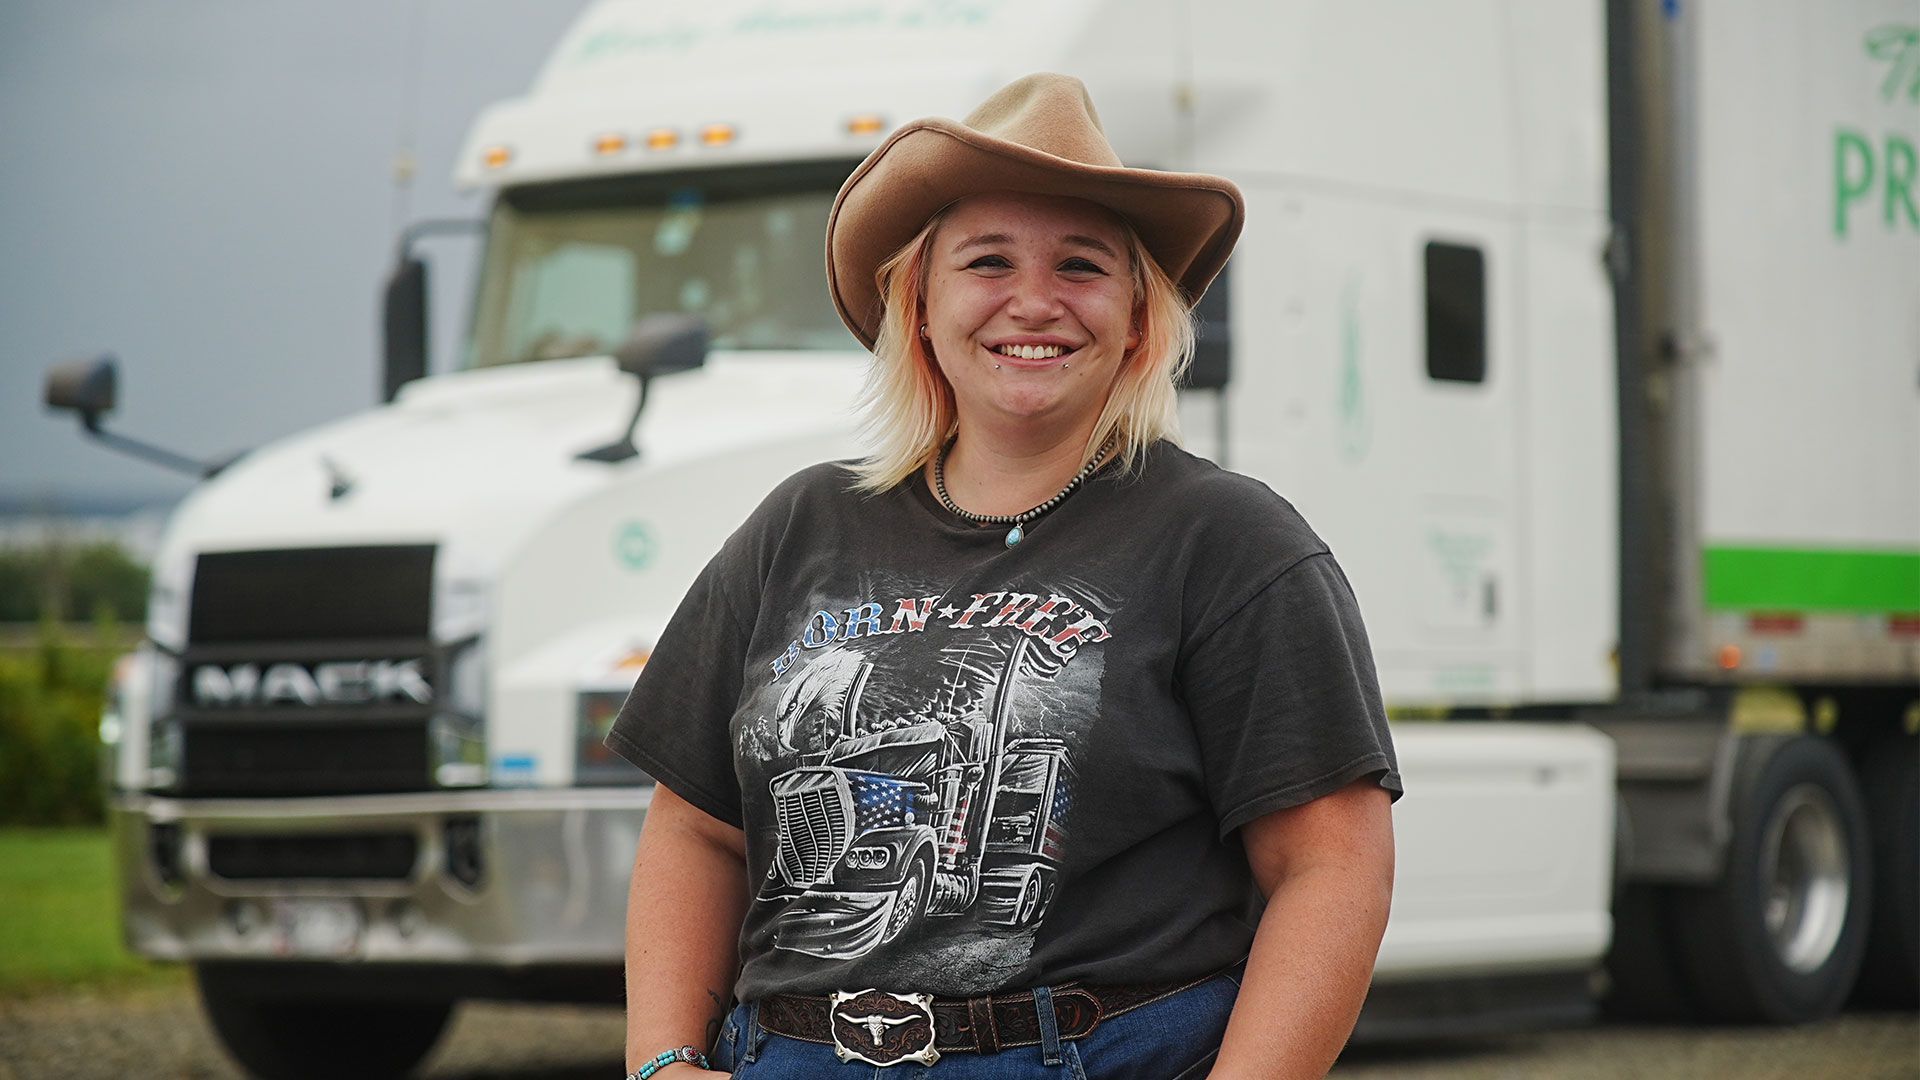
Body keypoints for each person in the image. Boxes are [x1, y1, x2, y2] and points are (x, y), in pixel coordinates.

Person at [608, 73, 1401, 1080]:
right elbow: (696, 830)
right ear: (922, 306)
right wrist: (664, 1061)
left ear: (1139, 320)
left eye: (1083, 266)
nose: (1034, 301)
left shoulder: (1228, 540)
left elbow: (1330, 864)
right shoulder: (799, 526)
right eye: (988, 262)